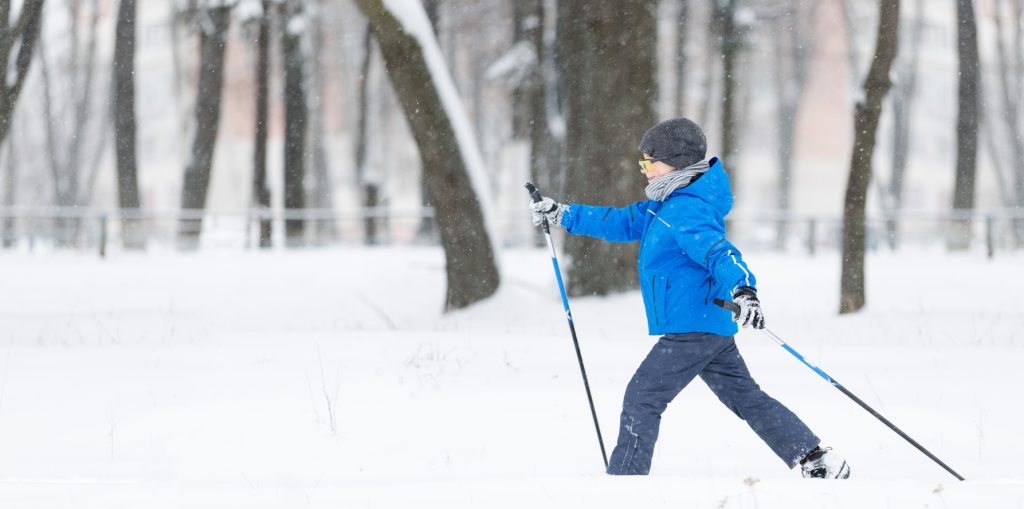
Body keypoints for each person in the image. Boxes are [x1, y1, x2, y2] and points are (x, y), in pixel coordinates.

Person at [529, 118, 850, 479]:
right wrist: (563, 214)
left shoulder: (686, 209)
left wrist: (744, 289)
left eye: (651, 162)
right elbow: (618, 221)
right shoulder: (665, 205)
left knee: (642, 398)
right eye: (643, 163)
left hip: (693, 329)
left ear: (676, 163)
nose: (644, 170)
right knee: (746, 398)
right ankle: (815, 459)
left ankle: (624, 487)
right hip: (706, 325)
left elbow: (719, 253)